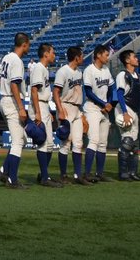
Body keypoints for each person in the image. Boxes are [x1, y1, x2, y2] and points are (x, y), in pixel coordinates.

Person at [0, 32, 31, 189]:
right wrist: (21, 107)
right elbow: (14, 85)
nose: (29, 47)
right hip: (11, 101)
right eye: (28, 45)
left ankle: (4, 171)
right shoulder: (16, 61)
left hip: (4, 99)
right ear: (24, 44)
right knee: (18, 141)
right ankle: (12, 180)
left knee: (22, 139)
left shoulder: (6, 57)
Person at [26, 43, 62, 187]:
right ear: (46, 54)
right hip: (38, 105)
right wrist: (39, 113)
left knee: (50, 145)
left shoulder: (44, 69)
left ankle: (44, 174)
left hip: (44, 105)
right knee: (43, 143)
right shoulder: (38, 68)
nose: (54, 55)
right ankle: (45, 178)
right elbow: (34, 91)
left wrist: (48, 111)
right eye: (52, 52)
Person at [52, 46, 86, 184]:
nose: (83, 58)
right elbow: (56, 92)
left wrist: (82, 114)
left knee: (78, 143)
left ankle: (78, 175)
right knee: (66, 143)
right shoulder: (63, 71)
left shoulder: (79, 72)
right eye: (81, 56)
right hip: (65, 106)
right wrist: (60, 109)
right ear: (76, 57)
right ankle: (63, 175)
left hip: (77, 108)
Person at [81, 44, 114, 183]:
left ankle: (99, 173)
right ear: (98, 55)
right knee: (93, 140)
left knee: (103, 143)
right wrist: (103, 104)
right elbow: (88, 91)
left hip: (104, 109)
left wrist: (110, 103)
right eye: (106, 55)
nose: (108, 57)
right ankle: (87, 174)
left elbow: (111, 88)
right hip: (93, 108)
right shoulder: (89, 70)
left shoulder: (106, 70)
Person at [113, 48, 140, 182]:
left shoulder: (139, 76)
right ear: (127, 60)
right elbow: (120, 94)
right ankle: (123, 173)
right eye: (134, 57)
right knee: (127, 142)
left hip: (134, 109)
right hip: (124, 108)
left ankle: (133, 172)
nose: (137, 59)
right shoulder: (122, 75)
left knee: (134, 144)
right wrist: (125, 112)